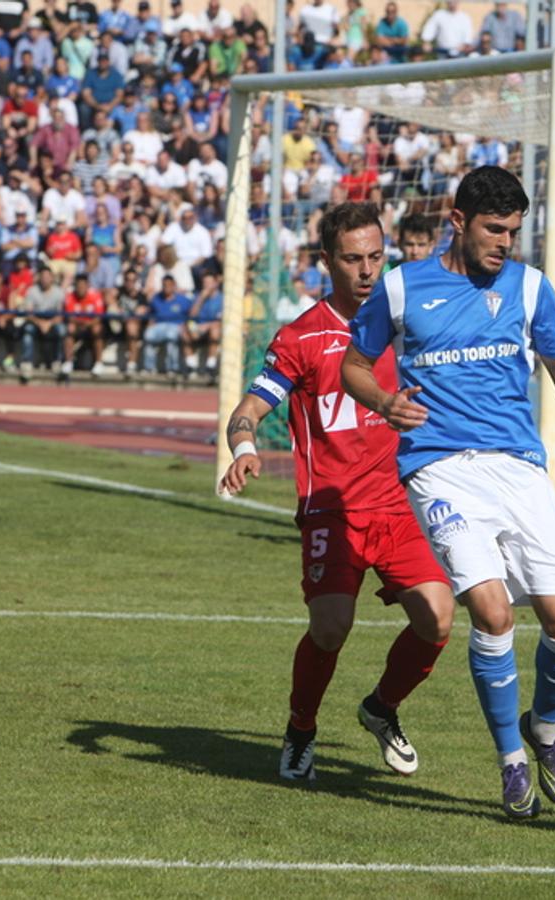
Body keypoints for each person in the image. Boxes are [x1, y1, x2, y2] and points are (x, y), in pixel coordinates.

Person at [341, 167, 555, 819]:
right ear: (458, 222)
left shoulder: (530, 288)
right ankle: (510, 765)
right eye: (494, 229)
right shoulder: (404, 287)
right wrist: (385, 401)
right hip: (439, 469)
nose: (505, 242)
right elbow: (354, 365)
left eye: (514, 231)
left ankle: (543, 732)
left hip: (520, 469)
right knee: (492, 614)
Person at [223, 202, 454, 782]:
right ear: (327, 262)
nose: (368, 270)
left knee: (439, 620)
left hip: (401, 503)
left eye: (377, 256)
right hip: (333, 509)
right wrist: (245, 449)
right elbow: (247, 411)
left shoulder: (409, 323)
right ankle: (302, 728)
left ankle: (381, 708)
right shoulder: (302, 337)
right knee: (330, 629)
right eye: (353, 259)